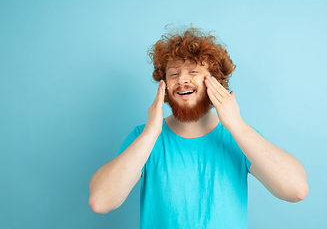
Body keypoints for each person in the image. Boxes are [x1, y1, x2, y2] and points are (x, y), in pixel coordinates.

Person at [88, 27, 309, 228]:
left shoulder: (239, 136)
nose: (182, 80)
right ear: (164, 85)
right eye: (173, 74)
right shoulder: (144, 138)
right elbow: (100, 202)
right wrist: (150, 134)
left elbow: (296, 190)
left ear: (215, 82)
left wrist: (237, 125)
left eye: (193, 72)